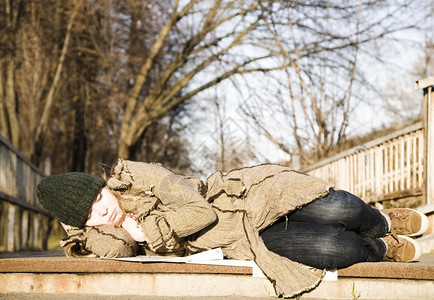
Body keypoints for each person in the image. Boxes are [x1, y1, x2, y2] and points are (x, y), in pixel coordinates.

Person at [36, 159, 429, 298]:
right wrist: (81, 229)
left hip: (239, 200)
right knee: (335, 251)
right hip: (242, 238)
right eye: (89, 215)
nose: (101, 213)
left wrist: (151, 233)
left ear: (102, 185)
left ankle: (381, 221)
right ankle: (382, 248)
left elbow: (198, 212)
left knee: (340, 207)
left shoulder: (135, 176)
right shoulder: (105, 231)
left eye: (98, 200)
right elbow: (118, 252)